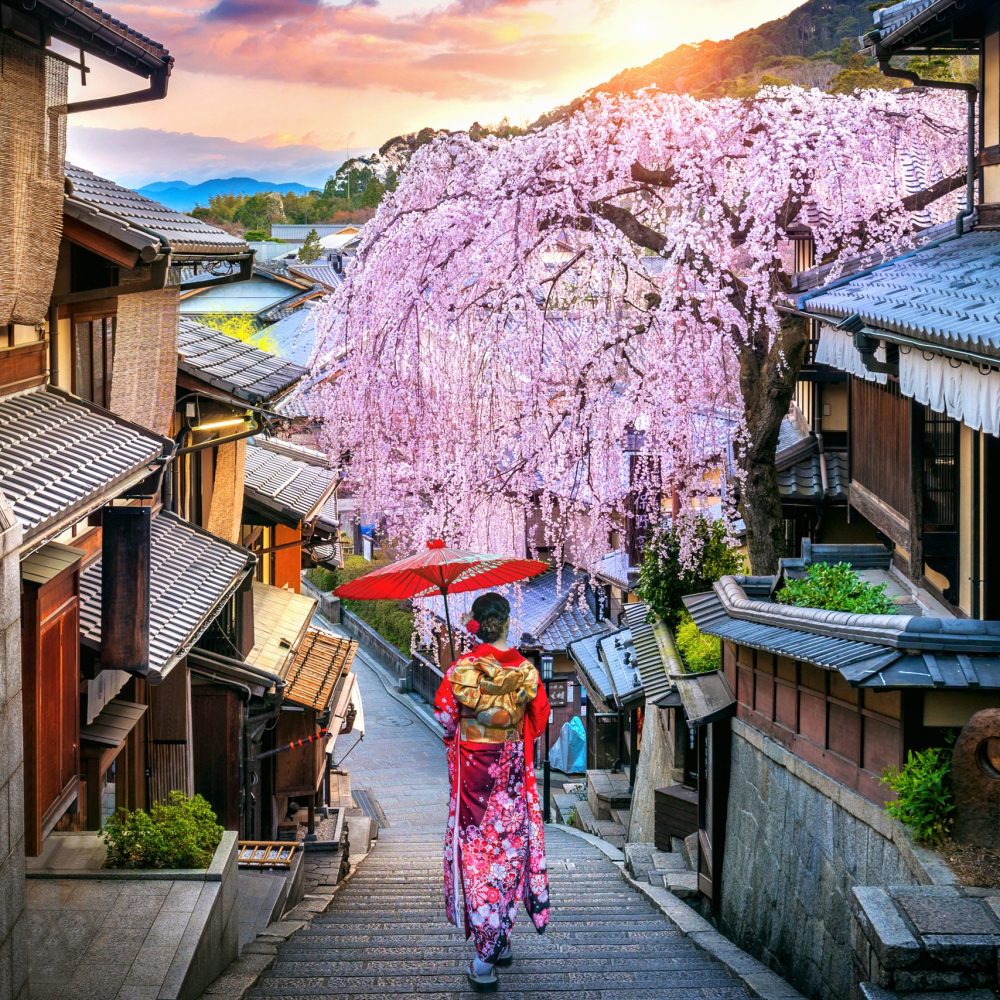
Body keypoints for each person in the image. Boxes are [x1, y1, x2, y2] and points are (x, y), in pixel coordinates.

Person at [433, 591, 551, 992]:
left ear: (477, 623)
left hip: (474, 777)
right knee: (510, 852)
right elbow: (539, 718)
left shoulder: (460, 670)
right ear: (507, 622)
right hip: (512, 772)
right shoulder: (526, 670)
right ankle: (500, 941)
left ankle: (483, 962)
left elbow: (447, 722)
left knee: (481, 859)